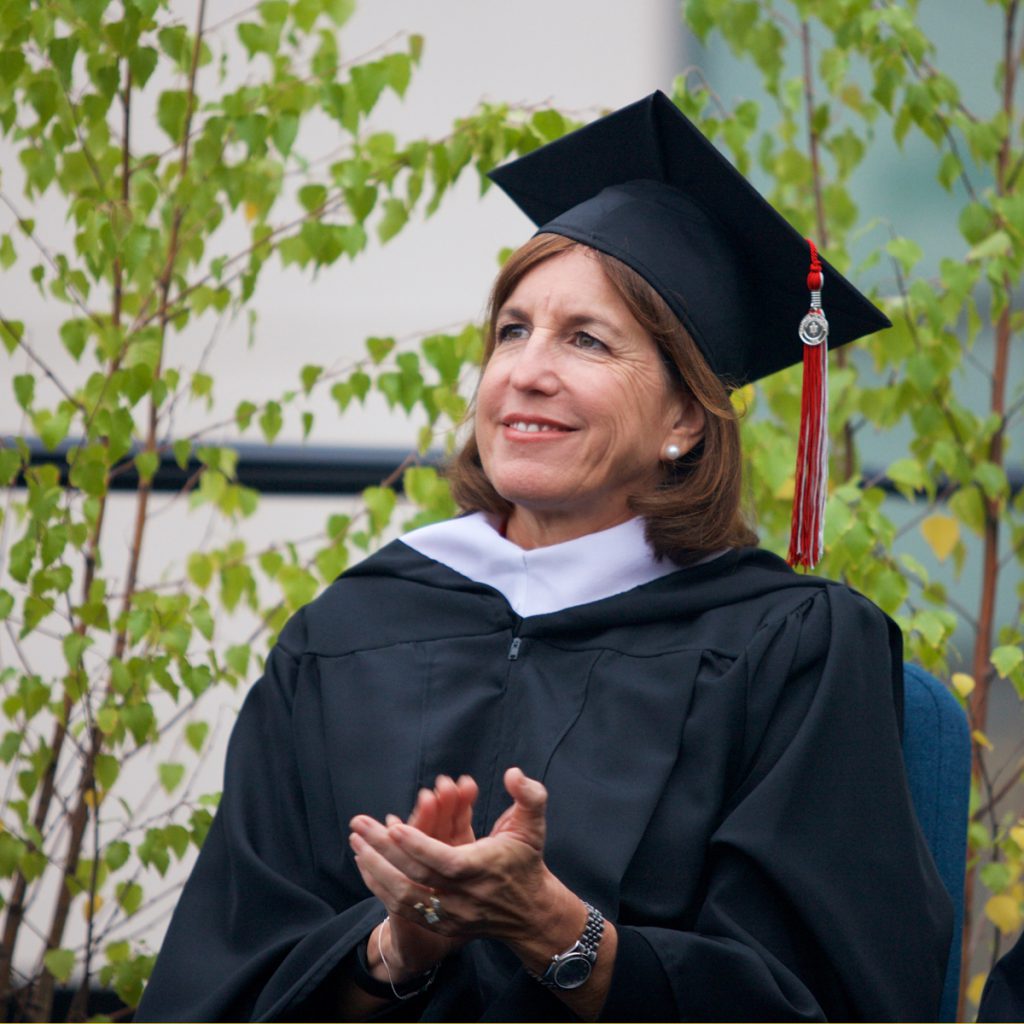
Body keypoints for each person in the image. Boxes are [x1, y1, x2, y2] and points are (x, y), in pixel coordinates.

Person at [136, 92, 952, 1022]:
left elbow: (828, 996)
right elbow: (221, 977)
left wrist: (558, 931)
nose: (526, 370)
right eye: (511, 331)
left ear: (685, 419)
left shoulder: (790, 649)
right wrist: (398, 945)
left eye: (587, 340)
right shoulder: (348, 632)